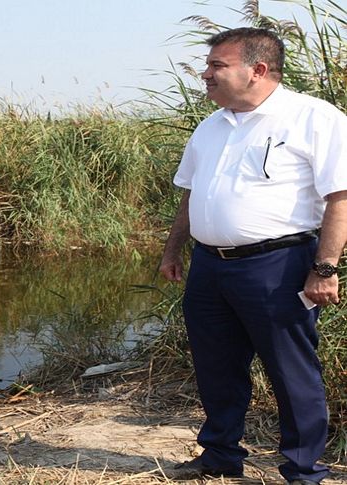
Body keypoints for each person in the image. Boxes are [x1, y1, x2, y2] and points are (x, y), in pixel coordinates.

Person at [160, 28, 347, 485]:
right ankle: (220, 455)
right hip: (209, 266)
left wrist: (324, 268)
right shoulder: (212, 124)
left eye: (216, 66)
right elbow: (191, 193)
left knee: (291, 371)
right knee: (216, 365)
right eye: (208, 66)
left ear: (257, 70)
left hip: (277, 267)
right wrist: (173, 248)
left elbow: (340, 197)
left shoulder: (313, 118)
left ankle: (303, 469)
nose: (206, 74)